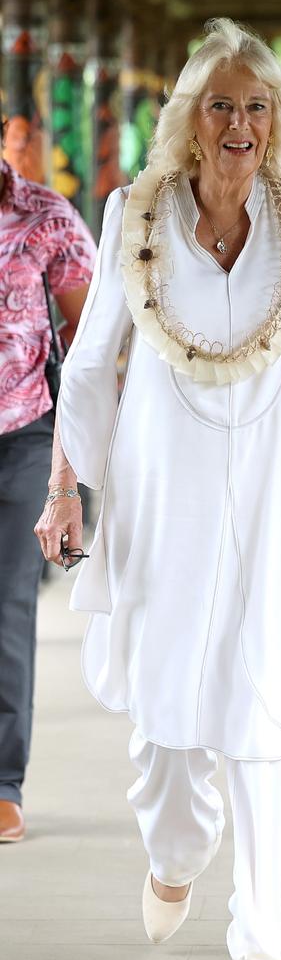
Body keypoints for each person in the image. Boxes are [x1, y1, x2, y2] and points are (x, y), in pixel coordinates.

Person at [34, 18, 281, 960]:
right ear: (187, 118)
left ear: (278, 121)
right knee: (168, 719)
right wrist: (65, 484)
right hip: (162, 479)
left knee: (269, 702)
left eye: (256, 106)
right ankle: (177, 847)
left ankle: (262, 931)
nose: (239, 123)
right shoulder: (136, 210)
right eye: (220, 103)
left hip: (276, 484)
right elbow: (90, 365)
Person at [0, 115, 96, 843]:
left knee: (8, 608)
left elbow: (91, 342)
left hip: (22, 432)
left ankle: (3, 784)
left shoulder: (44, 216)